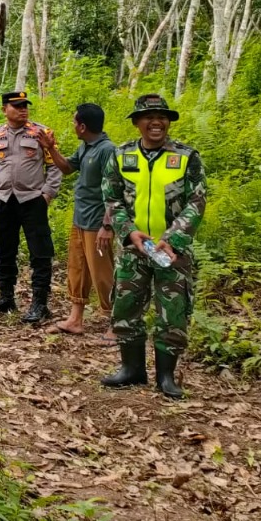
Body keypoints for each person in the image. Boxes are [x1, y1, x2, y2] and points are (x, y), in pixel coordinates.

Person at [100, 94, 206, 400]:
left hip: (172, 251)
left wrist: (172, 238)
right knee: (126, 307)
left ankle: (166, 377)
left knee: (172, 312)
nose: (155, 122)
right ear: (136, 122)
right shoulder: (121, 156)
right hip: (135, 248)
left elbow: (196, 202)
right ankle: (131, 370)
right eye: (148, 117)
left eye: (162, 117)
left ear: (169, 122)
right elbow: (112, 198)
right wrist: (129, 232)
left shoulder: (186, 157)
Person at [37, 103, 116, 340]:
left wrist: (107, 225)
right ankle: (75, 319)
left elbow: (115, 190)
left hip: (97, 223)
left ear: (82, 126)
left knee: (103, 274)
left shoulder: (107, 150)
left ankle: (117, 323)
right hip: (80, 219)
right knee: (77, 268)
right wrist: (50, 149)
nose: (73, 126)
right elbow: (68, 168)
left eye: (74, 122)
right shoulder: (86, 147)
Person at [0, 89, 62, 324]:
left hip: (32, 200)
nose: (23, 109)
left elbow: (55, 165)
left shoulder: (41, 133)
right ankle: (6, 297)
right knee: (4, 251)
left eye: (25, 105)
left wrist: (47, 194)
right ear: (4, 109)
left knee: (41, 253)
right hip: (4, 200)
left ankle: (40, 303)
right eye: (16, 106)